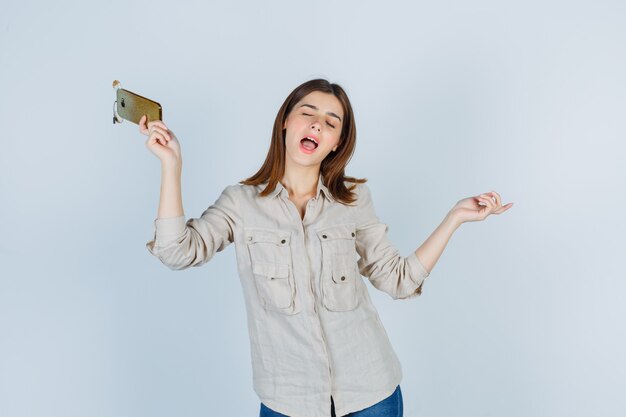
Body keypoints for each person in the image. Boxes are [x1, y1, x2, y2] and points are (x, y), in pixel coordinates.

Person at [141, 79, 513, 417]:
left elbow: (398, 280)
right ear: (285, 121)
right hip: (288, 400)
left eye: (331, 121)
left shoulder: (353, 200)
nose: (318, 124)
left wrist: (454, 218)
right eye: (308, 113)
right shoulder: (240, 203)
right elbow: (177, 251)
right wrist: (171, 166)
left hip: (372, 394)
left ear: (336, 142)